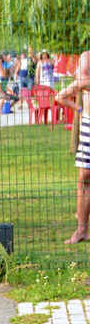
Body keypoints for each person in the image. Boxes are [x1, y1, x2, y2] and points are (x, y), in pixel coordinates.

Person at [57, 51, 90, 244]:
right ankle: (81, 230)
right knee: (84, 176)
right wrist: (79, 109)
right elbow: (82, 79)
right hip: (88, 124)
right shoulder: (86, 56)